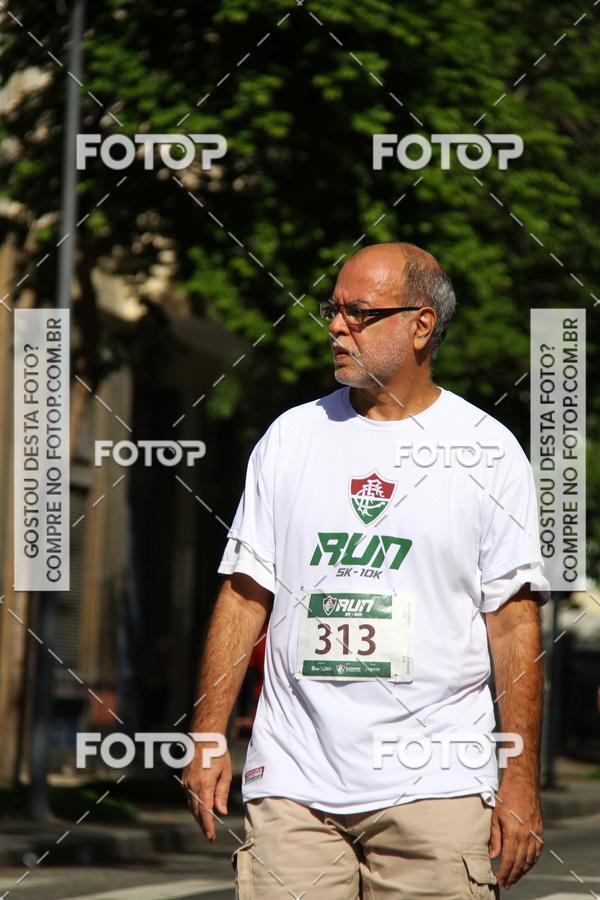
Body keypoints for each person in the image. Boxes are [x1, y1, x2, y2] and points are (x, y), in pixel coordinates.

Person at [182, 242, 550, 899]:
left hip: (436, 784)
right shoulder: (291, 438)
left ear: (421, 325)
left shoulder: (487, 452)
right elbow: (244, 595)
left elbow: (513, 624)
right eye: (333, 309)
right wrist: (208, 735)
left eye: (359, 313)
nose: (335, 326)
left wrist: (519, 780)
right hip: (294, 781)